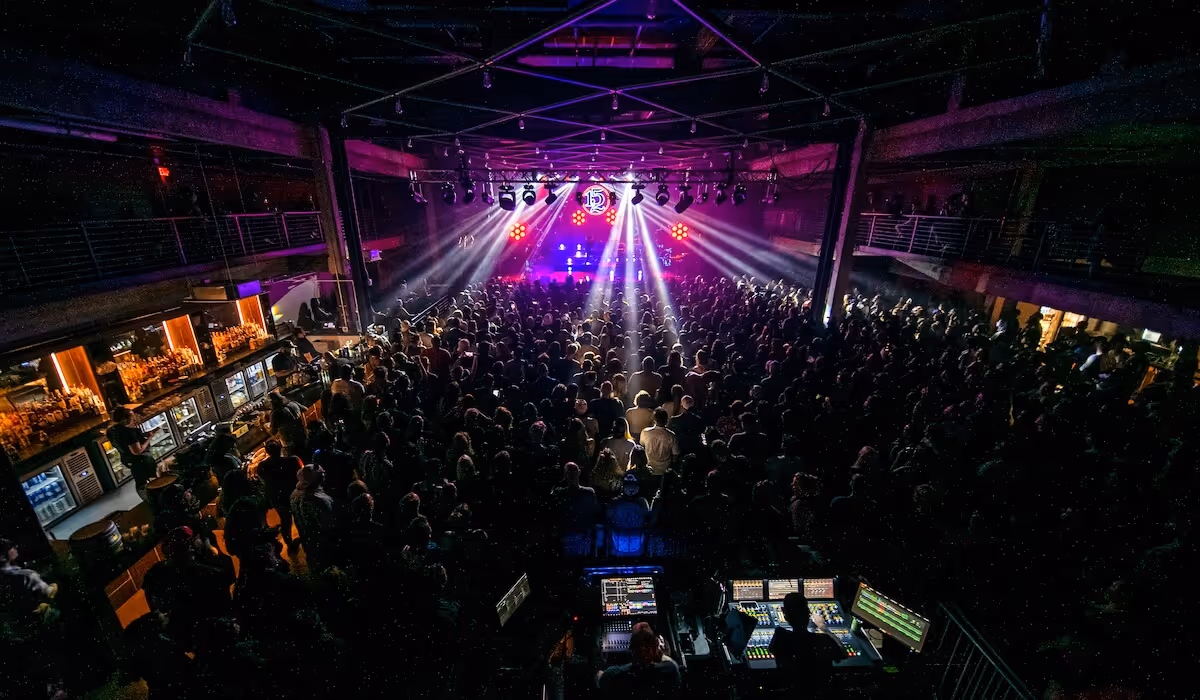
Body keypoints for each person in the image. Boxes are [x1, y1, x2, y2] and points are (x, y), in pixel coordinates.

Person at [142, 526, 235, 645]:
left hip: (183, 637)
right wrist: (210, 552)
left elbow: (155, 610)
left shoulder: (152, 575)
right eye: (196, 538)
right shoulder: (210, 572)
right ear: (192, 546)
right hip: (215, 633)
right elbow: (229, 576)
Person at [768, 592, 847, 693]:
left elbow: (777, 648)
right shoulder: (824, 640)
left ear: (785, 616)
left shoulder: (780, 636)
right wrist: (824, 628)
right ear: (809, 614)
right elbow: (843, 654)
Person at [596, 621, 681, 698]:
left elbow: (601, 679)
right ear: (656, 647)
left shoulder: (613, 674)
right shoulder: (671, 669)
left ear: (632, 651)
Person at [106, 407, 158, 502]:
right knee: (150, 479)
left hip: (127, 460)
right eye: (132, 416)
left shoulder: (111, 431)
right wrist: (150, 438)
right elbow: (137, 451)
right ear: (125, 418)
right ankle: (153, 499)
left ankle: (148, 499)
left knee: (139, 480)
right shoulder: (129, 432)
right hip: (142, 460)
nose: (133, 418)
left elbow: (124, 442)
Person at [290, 465, 336, 572]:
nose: (324, 477)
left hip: (307, 541)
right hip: (322, 543)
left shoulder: (294, 494)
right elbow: (329, 526)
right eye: (321, 476)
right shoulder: (319, 500)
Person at [254, 440, 300, 544]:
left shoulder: (262, 466)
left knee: (285, 520)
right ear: (280, 448)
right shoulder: (293, 460)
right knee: (299, 518)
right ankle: (305, 539)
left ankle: (289, 543)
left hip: (277, 497)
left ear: (267, 452)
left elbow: (263, 481)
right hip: (294, 495)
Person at [266, 392, 308, 458]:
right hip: (302, 435)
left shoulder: (275, 414)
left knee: (295, 460)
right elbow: (305, 409)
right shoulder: (293, 403)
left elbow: (273, 432)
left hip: (290, 443)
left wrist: (267, 428)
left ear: (272, 403)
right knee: (306, 456)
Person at [638, 408, 679, 476]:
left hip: (649, 469)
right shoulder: (671, 435)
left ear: (654, 420)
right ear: (666, 420)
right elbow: (675, 455)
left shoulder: (645, 432)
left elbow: (641, 447)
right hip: (665, 471)